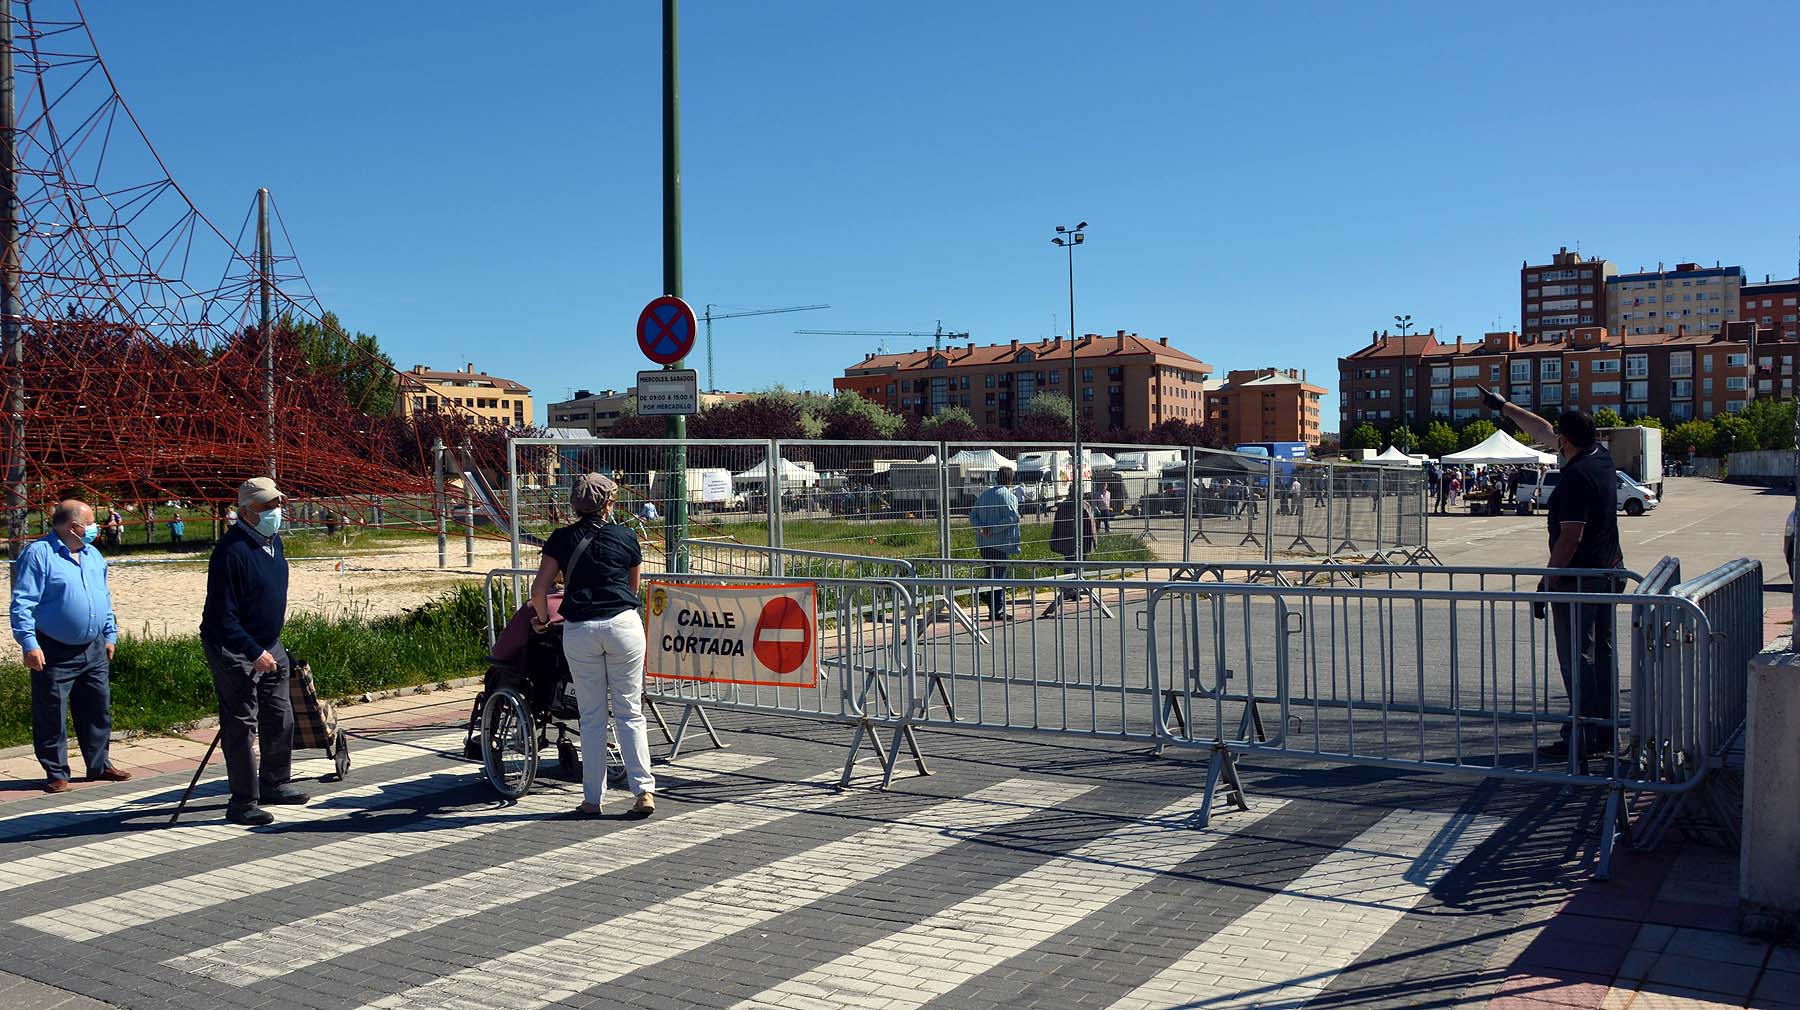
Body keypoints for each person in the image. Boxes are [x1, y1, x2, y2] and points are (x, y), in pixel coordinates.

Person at [1484, 387, 1624, 761]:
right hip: (1610, 571)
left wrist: (1548, 582)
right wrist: (1504, 408)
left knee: (1577, 658)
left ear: (1565, 441)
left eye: (1557, 439)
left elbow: (1570, 537)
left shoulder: (1575, 477)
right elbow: (1543, 430)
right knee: (1603, 654)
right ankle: (1606, 731)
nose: (1551, 441)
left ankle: (1585, 734)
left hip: (1580, 578)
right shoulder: (1601, 457)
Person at [531, 473, 655, 817]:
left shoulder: (561, 539)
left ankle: (592, 800)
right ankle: (643, 790)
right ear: (609, 504)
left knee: (592, 716)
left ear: (575, 504)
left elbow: (539, 590)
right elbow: (633, 589)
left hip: (581, 629)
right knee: (630, 711)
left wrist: (542, 621)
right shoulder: (626, 536)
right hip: (623, 626)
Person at [201, 477, 308, 826]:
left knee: (280, 715)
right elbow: (221, 617)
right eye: (267, 507)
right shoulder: (231, 552)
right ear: (246, 512)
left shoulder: (272, 542)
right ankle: (242, 801)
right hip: (233, 647)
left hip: (268, 643)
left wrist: (270, 646)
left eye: (278, 504)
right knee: (241, 724)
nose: (276, 511)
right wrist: (251, 650)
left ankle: (275, 782)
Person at [10, 499, 129, 793]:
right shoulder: (39, 554)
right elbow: (23, 603)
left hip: (94, 646)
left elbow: (104, 596)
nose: (94, 528)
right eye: (89, 523)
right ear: (73, 526)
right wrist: (29, 644)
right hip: (53, 647)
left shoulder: (93, 555)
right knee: (51, 712)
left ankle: (99, 765)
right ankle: (56, 772)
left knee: (97, 709)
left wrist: (109, 634)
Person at [969, 467, 1021, 621]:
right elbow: (1013, 517)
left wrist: (982, 528)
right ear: (1011, 480)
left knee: (991, 575)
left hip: (984, 543)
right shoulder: (1008, 496)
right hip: (1001, 543)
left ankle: (991, 604)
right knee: (999, 577)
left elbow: (973, 515)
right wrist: (992, 529)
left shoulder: (984, 495)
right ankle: (997, 609)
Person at [1049, 491, 1097, 602]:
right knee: (1079, 565)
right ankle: (1075, 588)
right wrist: (1093, 540)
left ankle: (1069, 588)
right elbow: (1092, 524)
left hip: (1067, 540)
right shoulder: (1085, 505)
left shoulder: (1063, 506)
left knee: (1069, 563)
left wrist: (1055, 538)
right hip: (1082, 540)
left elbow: (1057, 523)